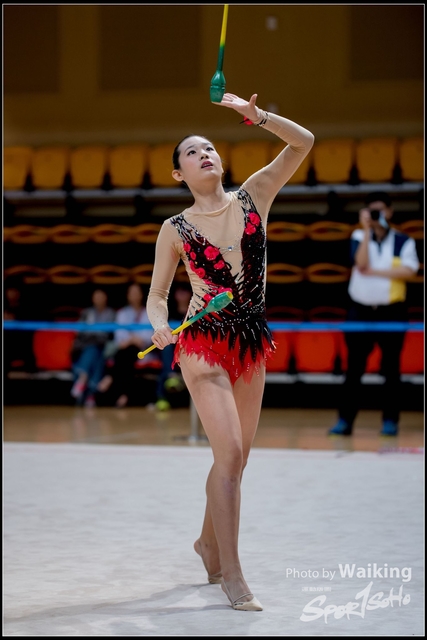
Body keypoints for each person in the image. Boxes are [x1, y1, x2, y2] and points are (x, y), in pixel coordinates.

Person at [146, 92, 314, 611]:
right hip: (202, 344)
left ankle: (206, 543)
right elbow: (157, 294)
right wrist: (160, 326)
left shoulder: (254, 195)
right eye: (192, 152)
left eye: (210, 147)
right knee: (232, 454)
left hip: (250, 342)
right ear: (179, 174)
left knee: (234, 461)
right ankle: (233, 575)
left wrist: (256, 116)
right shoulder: (174, 229)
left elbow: (303, 142)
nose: (205, 154)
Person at [329, 191, 420, 437]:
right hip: (360, 311)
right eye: (372, 211)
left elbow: (409, 271)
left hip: (392, 312)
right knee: (353, 370)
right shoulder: (359, 236)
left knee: (391, 370)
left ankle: (390, 422)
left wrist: (376, 272)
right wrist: (367, 229)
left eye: (381, 210)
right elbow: (360, 264)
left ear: (389, 211)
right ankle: (345, 422)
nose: (377, 214)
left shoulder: (403, 241)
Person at [105, 282, 156, 408]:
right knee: (125, 355)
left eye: (137, 293)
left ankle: (111, 377)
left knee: (126, 355)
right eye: (132, 293)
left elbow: (148, 337)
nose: (134, 295)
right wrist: (133, 339)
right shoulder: (122, 313)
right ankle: (125, 395)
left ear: (142, 295)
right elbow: (119, 336)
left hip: (142, 350)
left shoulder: (148, 313)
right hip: (125, 349)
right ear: (128, 295)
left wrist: (131, 339)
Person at [70, 288, 116, 408]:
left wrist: (93, 332)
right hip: (86, 345)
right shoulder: (86, 312)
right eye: (96, 297)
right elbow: (80, 331)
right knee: (95, 354)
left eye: (101, 296)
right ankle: (91, 393)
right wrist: (95, 333)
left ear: (105, 298)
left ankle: (83, 378)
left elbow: (109, 334)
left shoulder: (111, 313)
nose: (99, 299)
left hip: (104, 346)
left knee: (96, 350)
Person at [154, 284, 190, 412]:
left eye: (184, 292)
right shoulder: (169, 312)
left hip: (188, 344)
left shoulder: (192, 311)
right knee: (167, 348)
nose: (182, 295)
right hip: (172, 345)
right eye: (179, 292)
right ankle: (170, 376)